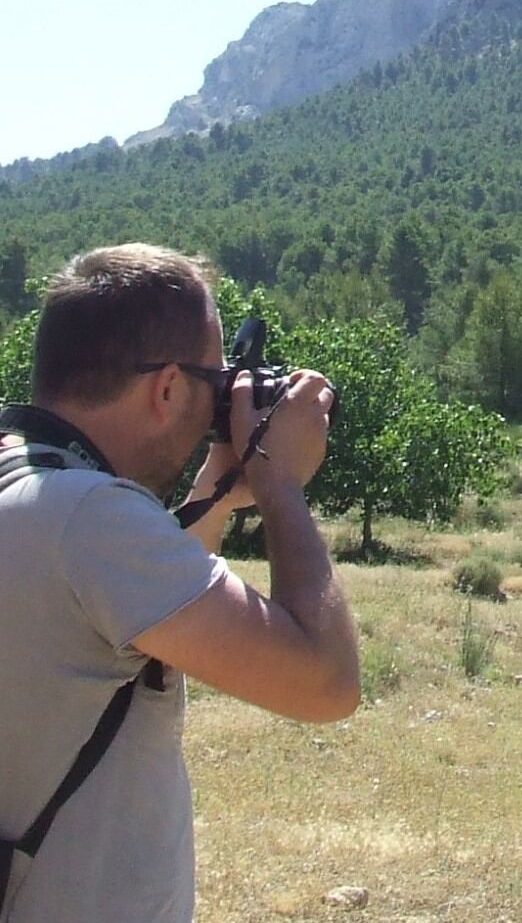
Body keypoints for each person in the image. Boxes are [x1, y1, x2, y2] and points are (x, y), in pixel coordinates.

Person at [0, 244, 359, 922]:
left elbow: (147, 620)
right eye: (214, 383)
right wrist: (280, 483)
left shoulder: (33, 484)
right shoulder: (92, 521)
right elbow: (326, 683)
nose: (219, 404)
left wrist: (217, 490)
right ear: (167, 388)